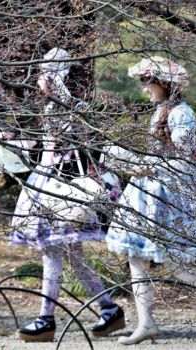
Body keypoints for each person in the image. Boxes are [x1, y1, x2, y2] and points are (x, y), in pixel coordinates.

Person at [9, 48, 125, 342]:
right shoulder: (57, 108)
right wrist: (19, 139)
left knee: (52, 253)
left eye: (42, 74)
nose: (37, 79)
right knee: (73, 257)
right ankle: (109, 309)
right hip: (53, 184)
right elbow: (48, 146)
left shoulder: (67, 108)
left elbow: (69, 152)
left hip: (60, 189)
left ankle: (46, 319)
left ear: (52, 76)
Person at [106, 56, 196, 345]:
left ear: (164, 83)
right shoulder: (160, 111)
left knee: (178, 260)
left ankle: (146, 322)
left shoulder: (182, 113)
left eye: (147, 82)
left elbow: (181, 161)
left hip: (168, 195)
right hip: (148, 193)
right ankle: (145, 322)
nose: (144, 88)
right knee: (136, 257)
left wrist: (143, 166)